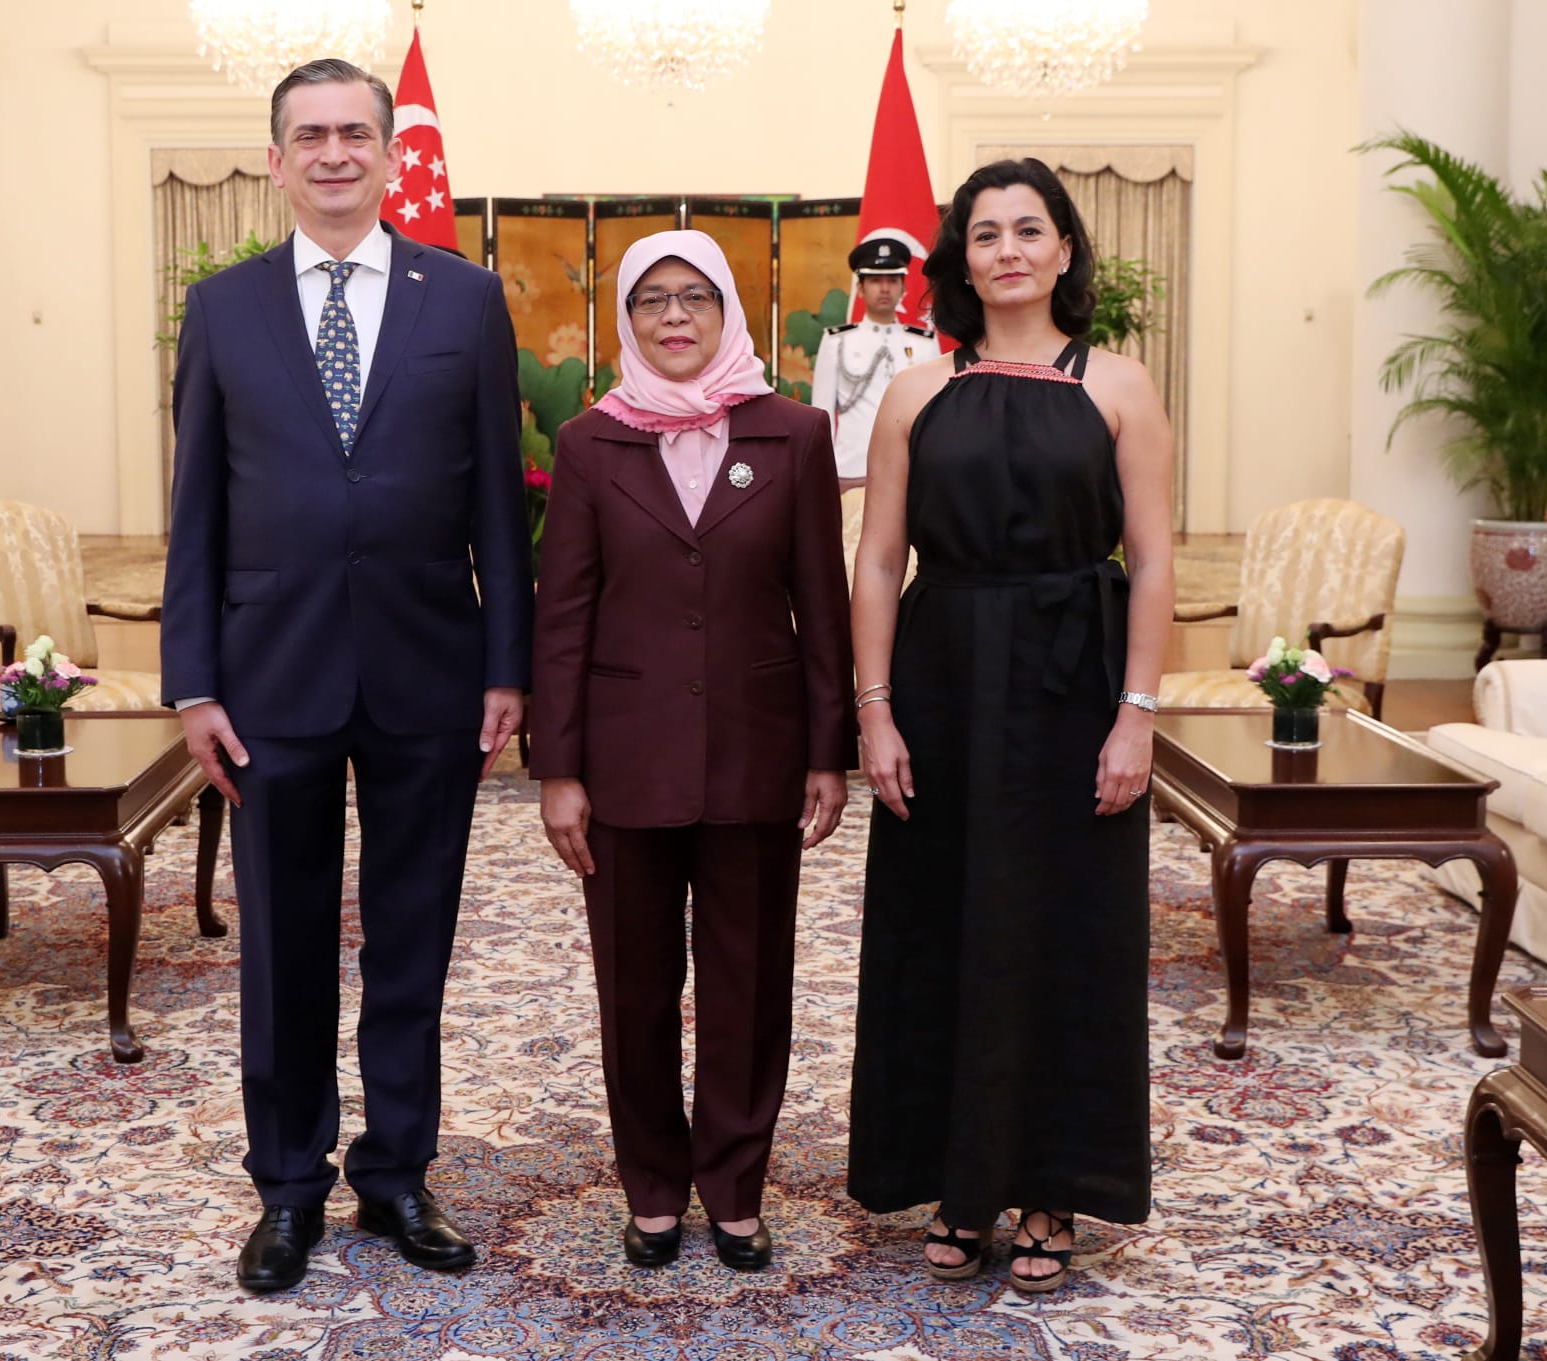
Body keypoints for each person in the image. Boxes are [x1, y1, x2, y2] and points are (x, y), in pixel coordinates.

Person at [161, 58, 534, 1291]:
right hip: (272, 674)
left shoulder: (466, 301)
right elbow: (198, 508)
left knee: (412, 940)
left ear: (387, 154)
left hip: (430, 668)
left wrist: (506, 662)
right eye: (308, 136)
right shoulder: (222, 307)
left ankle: (397, 1175)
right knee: (282, 941)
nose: (332, 153)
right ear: (275, 159)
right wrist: (193, 681)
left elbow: (495, 496)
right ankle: (286, 1187)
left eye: (353, 134)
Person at [845, 158, 1174, 1290]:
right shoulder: (914, 393)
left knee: (1064, 934)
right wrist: (873, 710)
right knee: (942, 926)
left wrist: (1136, 715)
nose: (1008, 250)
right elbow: (880, 557)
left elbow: (1154, 562)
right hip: (939, 683)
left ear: (1065, 249)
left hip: (1074, 686)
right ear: (959, 261)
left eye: (1028, 230)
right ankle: (954, 1179)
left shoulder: (1120, 386)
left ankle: (1050, 1187)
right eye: (984, 234)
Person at [530, 230, 854, 1272]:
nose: (674, 317)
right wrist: (559, 769)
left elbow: (823, 601)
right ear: (625, 321)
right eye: (651, 301)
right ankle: (654, 1186)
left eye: (695, 298)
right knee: (633, 985)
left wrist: (825, 747)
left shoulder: (795, 432)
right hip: (624, 760)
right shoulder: (590, 442)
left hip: (756, 757)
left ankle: (735, 1183)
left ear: (729, 313)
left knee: (748, 980)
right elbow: (564, 613)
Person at [809, 237, 936, 492]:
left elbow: (934, 415)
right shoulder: (836, 341)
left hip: (911, 469)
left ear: (903, 288)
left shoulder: (925, 343)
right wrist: (825, 469)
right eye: (876, 281)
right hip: (849, 468)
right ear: (860, 287)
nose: (885, 289)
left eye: (892, 280)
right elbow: (821, 414)